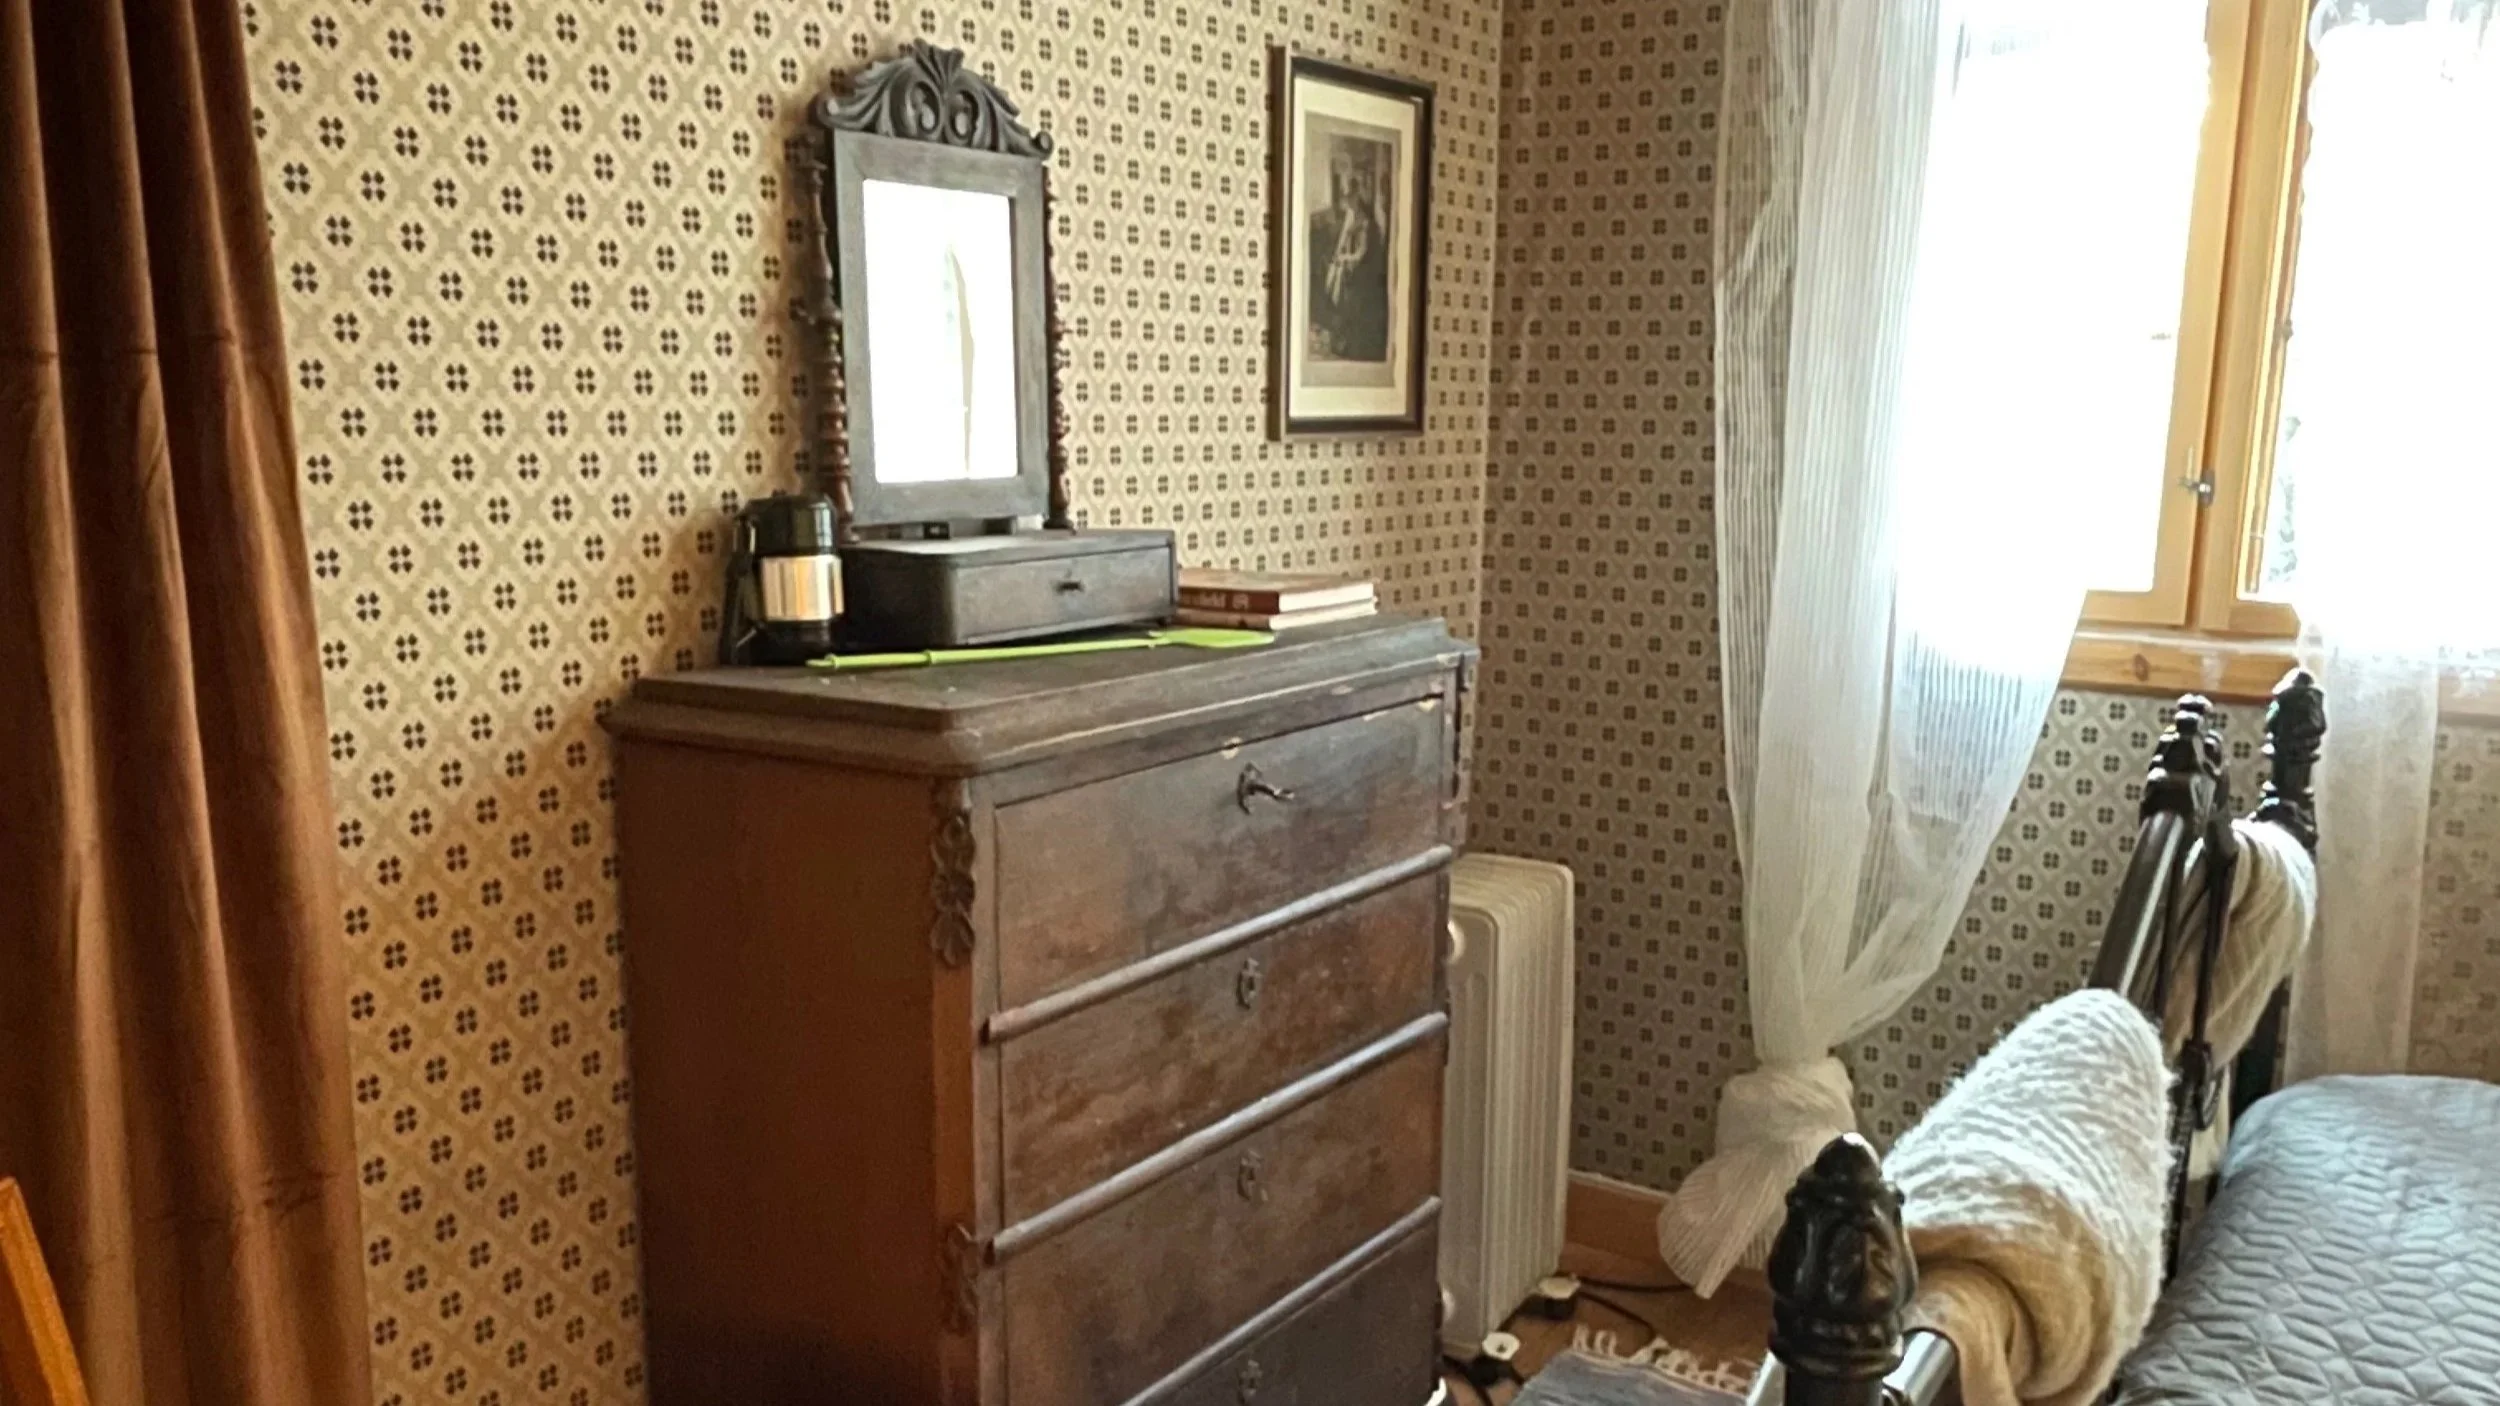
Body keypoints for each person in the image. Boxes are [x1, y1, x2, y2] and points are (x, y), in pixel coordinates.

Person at [1307, 139, 1392, 361]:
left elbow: (1361, 254)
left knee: (1341, 282)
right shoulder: (1352, 219)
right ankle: (1335, 327)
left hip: (1362, 272)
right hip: (1351, 264)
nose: (1349, 206)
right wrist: (1339, 256)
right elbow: (1344, 241)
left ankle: (1343, 333)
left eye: (1352, 201)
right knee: (1331, 273)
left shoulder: (1365, 224)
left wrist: (1344, 260)